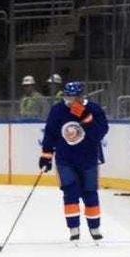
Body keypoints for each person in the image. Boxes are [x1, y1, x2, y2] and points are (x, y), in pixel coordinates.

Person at [39, 81, 109, 242]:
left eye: (73, 97)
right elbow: (50, 134)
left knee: (90, 193)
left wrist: (86, 118)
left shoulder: (94, 110)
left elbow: (99, 134)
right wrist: (46, 156)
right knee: (70, 192)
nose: (69, 101)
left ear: (81, 96)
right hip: (65, 160)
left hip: (89, 160)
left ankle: (94, 227)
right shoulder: (57, 110)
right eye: (67, 97)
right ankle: (73, 228)